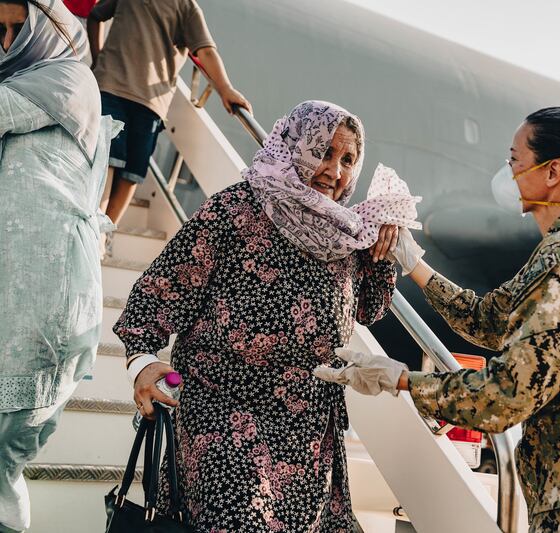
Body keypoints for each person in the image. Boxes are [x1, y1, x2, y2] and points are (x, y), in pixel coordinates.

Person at [315, 107, 560, 532]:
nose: (508, 171)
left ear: (552, 172)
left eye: (515, 160)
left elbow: (505, 395)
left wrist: (399, 380)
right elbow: (490, 320)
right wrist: (414, 263)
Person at [113, 100, 422, 532]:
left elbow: (369, 310)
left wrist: (382, 247)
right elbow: (157, 292)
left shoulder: (347, 232)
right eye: (323, 152)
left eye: (348, 159)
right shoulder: (237, 209)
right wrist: (143, 363)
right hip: (223, 410)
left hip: (307, 431)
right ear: (296, 147)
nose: (335, 171)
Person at [0, 1, 119, 531]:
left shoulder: (68, 79)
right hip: (15, 284)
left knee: (4, 454)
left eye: (15, 27)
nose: (5, 41)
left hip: (46, 292)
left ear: (46, 28)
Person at [87, 0, 251, 226]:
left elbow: (205, 51)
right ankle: (92, 234)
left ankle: (102, 235)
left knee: (132, 174)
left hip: (151, 102)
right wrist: (98, 60)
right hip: (111, 87)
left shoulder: (187, 8)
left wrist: (225, 88)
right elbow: (96, 16)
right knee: (107, 160)